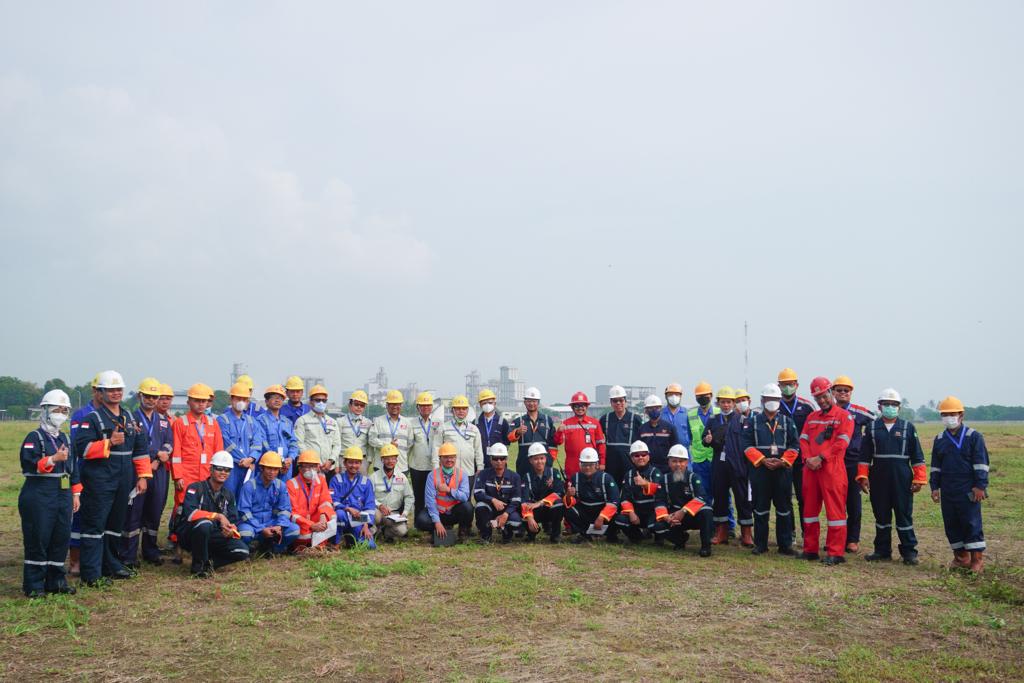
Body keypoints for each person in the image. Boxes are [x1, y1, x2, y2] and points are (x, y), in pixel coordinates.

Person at [75, 371, 152, 587]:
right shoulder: (91, 419)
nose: (116, 393)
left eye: (118, 389)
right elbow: (82, 449)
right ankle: (91, 574)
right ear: (100, 393)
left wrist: (144, 476)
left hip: (124, 480)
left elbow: (141, 450)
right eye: (110, 390)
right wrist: (108, 443)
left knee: (115, 525)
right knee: (95, 525)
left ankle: (111, 564)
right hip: (100, 480)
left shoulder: (129, 418)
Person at [856, 388, 926, 566]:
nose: (890, 407)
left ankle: (909, 552)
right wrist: (863, 476)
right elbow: (864, 456)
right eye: (886, 404)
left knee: (904, 515)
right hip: (878, 477)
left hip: (902, 478)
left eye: (893, 404)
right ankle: (882, 550)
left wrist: (919, 479)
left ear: (899, 407)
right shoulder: (871, 427)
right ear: (879, 406)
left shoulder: (908, 428)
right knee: (881, 515)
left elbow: (917, 456)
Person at [19, 390, 78, 597]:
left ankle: (56, 580)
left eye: (64, 410)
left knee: (60, 537)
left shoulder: (66, 438)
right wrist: (53, 459)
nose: (60, 414)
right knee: (38, 537)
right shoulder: (34, 437)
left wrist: (76, 494)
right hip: (39, 493)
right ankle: (34, 584)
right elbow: (28, 464)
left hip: (63, 494)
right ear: (45, 411)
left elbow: (73, 468)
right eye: (56, 410)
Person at [798, 377, 855, 565]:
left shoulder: (844, 417)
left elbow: (841, 443)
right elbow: (803, 440)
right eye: (817, 398)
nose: (821, 400)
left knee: (835, 512)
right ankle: (810, 549)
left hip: (832, 469)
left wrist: (820, 458)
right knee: (810, 511)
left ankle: (835, 552)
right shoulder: (811, 417)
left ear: (831, 393)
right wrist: (808, 459)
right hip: (810, 469)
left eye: (824, 396)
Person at [929, 396, 989, 572]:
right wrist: (934, 487)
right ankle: (961, 557)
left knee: (971, 523)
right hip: (948, 489)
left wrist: (980, 486)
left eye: (952, 414)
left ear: (961, 415)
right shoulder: (939, 439)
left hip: (968, 489)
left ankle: (977, 560)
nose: (949, 417)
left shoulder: (974, 436)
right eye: (945, 414)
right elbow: (935, 467)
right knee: (951, 523)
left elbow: (981, 463)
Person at [742, 384, 800, 556]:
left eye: (775, 399)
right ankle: (760, 544)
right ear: (762, 400)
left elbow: (795, 445)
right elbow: (746, 445)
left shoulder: (787, 422)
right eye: (768, 399)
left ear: (780, 401)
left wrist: (783, 461)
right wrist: (762, 460)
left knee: (784, 509)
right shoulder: (752, 422)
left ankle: (785, 545)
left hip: (782, 472)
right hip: (760, 471)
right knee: (760, 508)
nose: (772, 402)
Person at [122, 377, 174, 568]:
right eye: (148, 396)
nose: (151, 400)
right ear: (139, 396)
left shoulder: (163, 420)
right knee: (134, 512)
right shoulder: (131, 418)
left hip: (159, 472)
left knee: (154, 511)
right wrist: (154, 455)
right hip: (137, 471)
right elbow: (132, 444)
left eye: (155, 396)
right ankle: (128, 555)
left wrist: (161, 457)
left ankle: (150, 551)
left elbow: (169, 443)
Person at [176, 451, 249, 578]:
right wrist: (218, 516)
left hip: (215, 535)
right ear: (211, 469)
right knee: (205, 524)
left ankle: (209, 564)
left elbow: (233, 521)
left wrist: (231, 530)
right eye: (219, 468)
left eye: (227, 470)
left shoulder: (228, 495)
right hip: (191, 535)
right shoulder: (196, 488)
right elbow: (191, 514)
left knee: (242, 551)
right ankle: (198, 567)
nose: (223, 472)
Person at [170, 383, 224, 550]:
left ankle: (201, 539)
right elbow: (176, 452)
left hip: (207, 475)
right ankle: (176, 539)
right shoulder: (180, 423)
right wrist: (178, 476)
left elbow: (218, 450)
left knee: (206, 506)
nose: (200, 404)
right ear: (189, 402)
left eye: (204, 401)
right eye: (197, 400)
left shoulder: (212, 423)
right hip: (187, 474)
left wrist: (217, 474)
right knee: (182, 506)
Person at [831, 375, 874, 553]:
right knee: (835, 502)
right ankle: (836, 538)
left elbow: (875, 424)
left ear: (851, 393)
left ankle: (852, 539)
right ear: (833, 392)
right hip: (833, 461)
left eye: (846, 391)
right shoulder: (829, 411)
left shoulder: (859, 412)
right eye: (839, 390)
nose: (842, 393)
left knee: (853, 501)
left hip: (852, 462)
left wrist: (864, 443)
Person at [67, 374, 102, 577]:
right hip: (83, 470)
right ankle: (74, 561)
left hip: (104, 474)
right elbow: (78, 444)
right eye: (100, 390)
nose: (103, 393)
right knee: (78, 518)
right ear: (95, 391)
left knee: (97, 518)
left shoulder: (112, 413)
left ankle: (93, 560)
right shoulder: (81, 414)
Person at [237, 451, 299, 556]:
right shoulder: (249, 486)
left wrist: (279, 525)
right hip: (252, 524)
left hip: (272, 523)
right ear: (261, 468)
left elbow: (285, 509)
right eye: (269, 468)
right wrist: (261, 529)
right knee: (245, 533)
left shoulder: (281, 486)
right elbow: (244, 512)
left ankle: (273, 550)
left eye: (275, 469)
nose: (272, 472)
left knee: (294, 530)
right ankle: (251, 551)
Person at [777, 368, 815, 532]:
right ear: (779, 386)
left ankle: (807, 534)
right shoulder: (774, 405)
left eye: (790, 384)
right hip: (783, 461)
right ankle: (789, 533)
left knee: (803, 498)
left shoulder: (807, 406)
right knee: (784, 499)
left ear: (797, 385)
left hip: (802, 461)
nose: (787, 388)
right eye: (784, 385)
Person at [703, 386, 743, 545]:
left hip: (737, 463)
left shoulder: (741, 419)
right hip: (719, 462)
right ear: (718, 403)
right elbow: (704, 440)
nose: (726, 405)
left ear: (734, 403)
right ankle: (722, 532)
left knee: (741, 497)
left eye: (729, 402)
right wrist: (707, 440)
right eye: (723, 402)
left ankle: (746, 533)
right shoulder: (713, 420)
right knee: (719, 496)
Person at [659, 445, 713, 557]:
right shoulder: (663, 479)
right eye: (674, 461)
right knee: (655, 524)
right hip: (674, 517)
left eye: (681, 461)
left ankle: (706, 547)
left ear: (687, 462)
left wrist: (683, 511)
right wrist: (666, 517)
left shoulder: (694, 477)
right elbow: (660, 501)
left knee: (706, 511)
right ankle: (680, 540)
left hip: (691, 515)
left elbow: (701, 497)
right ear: (669, 462)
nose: (678, 464)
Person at [414, 443, 473, 543]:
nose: (449, 460)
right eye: (446, 457)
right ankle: (437, 530)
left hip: (454, 512)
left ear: (455, 458)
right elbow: (430, 501)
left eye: (452, 457)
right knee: (421, 520)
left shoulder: (463, 474)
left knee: (468, 507)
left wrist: (449, 490)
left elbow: (464, 496)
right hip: (438, 512)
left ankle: (462, 532)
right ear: (440, 458)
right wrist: (437, 522)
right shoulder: (432, 475)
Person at [433, 395, 484, 505]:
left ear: (467, 410)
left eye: (464, 408)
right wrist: (436, 467)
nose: (461, 411)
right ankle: (448, 522)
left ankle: (465, 522)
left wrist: (480, 467)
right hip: (448, 472)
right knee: (447, 498)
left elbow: (478, 449)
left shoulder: (474, 429)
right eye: (458, 408)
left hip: (468, 471)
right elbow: (436, 448)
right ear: (453, 410)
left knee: (466, 500)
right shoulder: (444, 428)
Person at [217, 382, 265, 498]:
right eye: (238, 398)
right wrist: (242, 459)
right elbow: (226, 442)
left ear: (248, 402)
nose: (241, 402)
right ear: (231, 399)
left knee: (246, 497)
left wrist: (251, 458)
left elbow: (257, 443)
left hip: (248, 467)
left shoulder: (252, 421)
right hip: (231, 467)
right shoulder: (222, 420)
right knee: (229, 497)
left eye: (244, 399)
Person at [615, 441, 668, 544]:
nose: (640, 457)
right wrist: (631, 513)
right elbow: (625, 498)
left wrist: (645, 484)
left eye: (643, 454)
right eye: (636, 455)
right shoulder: (628, 475)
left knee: (656, 526)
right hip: (637, 511)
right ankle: (636, 537)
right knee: (619, 520)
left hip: (652, 510)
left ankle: (658, 537)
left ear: (648, 456)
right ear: (631, 458)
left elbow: (661, 493)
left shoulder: (656, 473)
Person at [563, 447, 619, 544]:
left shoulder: (606, 479)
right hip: (585, 512)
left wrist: (602, 517)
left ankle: (611, 535)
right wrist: (568, 496)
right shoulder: (575, 478)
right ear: (580, 464)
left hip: (603, 512)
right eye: (584, 464)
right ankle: (584, 534)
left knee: (618, 514)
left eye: (591, 465)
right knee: (565, 509)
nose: (587, 467)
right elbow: (571, 502)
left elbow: (614, 501)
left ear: (597, 465)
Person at [286, 451, 336, 552]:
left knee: (332, 516)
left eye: (313, 466)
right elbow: (293, 513)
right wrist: (311, 525)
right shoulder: (291, 484)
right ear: (299, 468)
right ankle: (300, 548)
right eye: (307, 466)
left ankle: (319, 546)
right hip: (302, 524)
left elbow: (325, 501)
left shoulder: (321, 480)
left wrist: (323, 517)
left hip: (316, 520)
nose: (310, 470)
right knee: (301, 533)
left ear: (318, 467)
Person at [686, 381, 720, 531]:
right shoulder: (691, 414)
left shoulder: (719, 413)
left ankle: (727, 526)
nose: (702, 399)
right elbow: (690, 436)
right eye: (699, 396)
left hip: (716, 459)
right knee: (702, 493)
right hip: (699, 461)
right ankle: (707, 525)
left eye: (705, 396)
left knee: (721, 493)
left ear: (711, 396)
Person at [473, 444, 523, 543]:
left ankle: (506, 533)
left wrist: (505, 514)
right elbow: (477, 493)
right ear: (491, 460)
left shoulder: (515, 477)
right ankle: (486, 535)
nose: (499, 461)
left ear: (506, 459)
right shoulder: (483, 474)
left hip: (507, 510)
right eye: (495, 458)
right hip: (490, 509)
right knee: (480, 506)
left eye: (502, 458)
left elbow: (516, 500)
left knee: (515, 522)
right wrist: (492, 500)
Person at [330, 446, 377, 549]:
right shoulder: (336, 480)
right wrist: (347, 508)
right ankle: (336, 542)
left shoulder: (366, 482)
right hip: (343, 516)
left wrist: (365, 525)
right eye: (350, 462)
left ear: (361, 463)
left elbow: (370, 506)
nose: (353, 466)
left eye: (357, 462)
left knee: (369, 546)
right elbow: (332, 501)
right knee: (340, 514)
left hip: (358, 518)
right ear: (344, 463)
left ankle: (349, 538)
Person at [553, 392, 606, 478]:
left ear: (586, 407)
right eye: (577, 406)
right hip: (572, 465)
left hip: (590, 464)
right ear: (572, 407)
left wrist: (602, 462)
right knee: (571, 489)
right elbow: (557, 442)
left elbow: (601, 445)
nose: (580, 408)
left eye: (582, 406)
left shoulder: (595, 423)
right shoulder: (566, 423)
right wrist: (559, 431)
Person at [294, 385, 342, 479]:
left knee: (328, 493)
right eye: (317, 400)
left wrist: (331, 461)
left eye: (324, 400)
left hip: (329, 468)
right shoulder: (302, 421)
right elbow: (299, 443)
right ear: (310, 402)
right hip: (309, 468)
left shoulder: (332, 422)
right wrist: (314, 462)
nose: (321, 402)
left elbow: (337, 445)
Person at [520, 443, 565, 543]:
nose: (539, 461)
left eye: (542, 458)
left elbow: (559, 493)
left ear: (546, 458)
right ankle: (532, 533)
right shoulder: (526, 477)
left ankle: (555, 534)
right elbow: (524, 499)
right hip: (534, 510)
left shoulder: (554, 473)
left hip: (549, 508)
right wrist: (530, 517)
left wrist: (540, 503)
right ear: (530, 460)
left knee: (559, 504)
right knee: (521, 508)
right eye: (535, 459)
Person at [599, 385, 644, 484]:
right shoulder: (604, 419)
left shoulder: (635, 419)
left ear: (625, 401)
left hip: (629, 462)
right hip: (611, 463)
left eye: (621, 400)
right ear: (611, 402)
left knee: (629, 489)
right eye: (615, 401)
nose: (618, 403)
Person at [370, 444, 415, 542]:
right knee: (373, 515)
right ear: (382, 459)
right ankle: (374, 531)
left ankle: (385, 532)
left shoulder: (402, 477)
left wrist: (405, 513)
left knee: (402, 531)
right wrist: (379, 505)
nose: (390, 461)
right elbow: (368, 497)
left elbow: (409, 497)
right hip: (378, 511)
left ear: (396, 460)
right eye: (387, 458)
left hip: (393, 514)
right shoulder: (373, 477)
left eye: (393, 458)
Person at [509, 387, 557, 476]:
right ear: (525, 402)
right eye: (529, 401)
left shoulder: (547, 420)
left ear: (538, 402)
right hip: (524, 463)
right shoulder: (518, 421)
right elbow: (509, 437)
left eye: (534, 401)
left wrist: (550, 459)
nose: (531, 403)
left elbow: (553, 442)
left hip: (543, 463)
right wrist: (517, 432)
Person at [257, 385, 300, 480]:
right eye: (274, 398)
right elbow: (263, 442)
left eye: (280, 398)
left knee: (283, 492)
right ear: (266, 401)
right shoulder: (261, 420)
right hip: (269, 466)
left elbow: (293, 443)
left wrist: (290, 458)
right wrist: (277, 461)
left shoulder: (287, 422)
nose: (277, 400)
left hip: (286, 467)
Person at [409, 392, 440, 517]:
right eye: (422, 405)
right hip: (417, 466)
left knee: (433, 495)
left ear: (432, 407)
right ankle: (418, 521)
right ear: (418, 407)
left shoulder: (439, 423)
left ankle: (432, 521)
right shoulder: (411, 423)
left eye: (428, 405)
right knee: (419, 496)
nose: (425, 408)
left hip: (434, 466)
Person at [369, 390, 414, 474]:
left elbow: (410, 444)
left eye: (397, 404)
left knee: (399, 487)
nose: (395, 407)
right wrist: (388, 445)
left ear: (401, 405)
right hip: (381, 465)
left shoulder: (407, 423)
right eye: (392, 404)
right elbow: (371, 440)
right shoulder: (378, 421)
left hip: (401, 465)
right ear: (387, 405)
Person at [638, 395, 679, 475]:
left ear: (661, 409)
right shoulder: (642, 429)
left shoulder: (670, 428)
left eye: (657, 408)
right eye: (650, 408)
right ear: (646, 411)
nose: (654, 410)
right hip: (647, 469)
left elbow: (675, 449)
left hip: (666, 469)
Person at [339, 390, 373, 474]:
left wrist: (368, 461)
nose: (359, 407)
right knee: (344, 484)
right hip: (344, 460)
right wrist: (336, 463)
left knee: (361, 485)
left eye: (362, 405)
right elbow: (336, 443)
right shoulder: (340, 422)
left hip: (362, 460)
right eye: (356, 404)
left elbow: (370, 445)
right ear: (350, 405)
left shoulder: (368, 423)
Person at [476, 390, 511, 469]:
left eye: (490, 402)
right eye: (484, 403)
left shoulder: (502, 422)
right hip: (481, 462)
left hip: (498, 461)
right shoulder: (476, 422)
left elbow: (507, 442)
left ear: (495, 404)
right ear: (480, 405)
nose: (487, 405)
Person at [661, 383, 693, 448]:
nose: (674, 397)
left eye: (676, 394)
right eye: (670, 394)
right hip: (665, 451)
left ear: (681, 396)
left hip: (684, 451)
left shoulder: (687, 413)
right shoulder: (660, 414)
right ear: (666, 396)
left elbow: (691, 433)